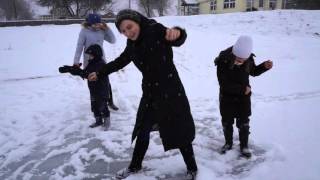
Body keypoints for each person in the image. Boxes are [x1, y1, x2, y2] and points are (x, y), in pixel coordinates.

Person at [88, 9, 198, 179]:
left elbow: (177, 38)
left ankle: (192, 168)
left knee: (179, 131)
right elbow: (121, 61)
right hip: (150, 93)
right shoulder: (132, 44)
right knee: (142, 130)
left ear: (137, 21)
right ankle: (135, 166)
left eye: (129, 27)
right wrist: (101, 72)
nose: (128, 33)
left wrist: (178, 32)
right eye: (123, 31)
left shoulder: (155, 29)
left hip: (171, 92)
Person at [214, 35, 273, 158]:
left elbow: (253, 71)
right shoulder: (223, 60)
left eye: (244, 59)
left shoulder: (248, 59)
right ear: (234, 53)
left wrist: (263, 67)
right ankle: (228, 143)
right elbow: (223, 84)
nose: (242, 61)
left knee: (244, 122)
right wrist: (242, 89)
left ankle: (244, 146)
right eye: (239, 58)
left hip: (243, 98)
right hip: (227, 97)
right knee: (227, 121)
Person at [73, 13, 119, 111]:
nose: (96, 26)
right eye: (94, 24)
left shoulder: (101, 31)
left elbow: (113, 40)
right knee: (92, 82)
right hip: (89, 61)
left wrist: (106, 28)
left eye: (98, 24)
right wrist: (76, 61)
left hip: (101, 60)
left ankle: (110, 101)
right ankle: (95, 103)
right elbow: (79, 47)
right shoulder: (84, 32)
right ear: (89, 24)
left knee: (106, 82)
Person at [59, 44, 111, 130]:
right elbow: (84, 72)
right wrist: (71, 69)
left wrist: (79, 72)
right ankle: (98, 121)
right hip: (93, 90)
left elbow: (89, 75)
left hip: (102, 90)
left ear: (96, 55)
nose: (89, 57)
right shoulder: (91, 63)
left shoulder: (100, 64)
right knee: (94, 106)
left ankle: (107, 122)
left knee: (102, 106)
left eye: (91, 55)